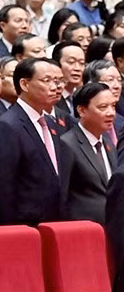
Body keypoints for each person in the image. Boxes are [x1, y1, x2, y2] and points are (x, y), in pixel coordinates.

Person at [0, 57, 67, 225]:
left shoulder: (50, 123)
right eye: (46, 80)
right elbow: (1, 187)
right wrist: (11, 231)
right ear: (25, 84)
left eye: (56, 81)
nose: (54, 87)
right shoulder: (8, 126)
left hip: (56, 222)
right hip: (26, 225)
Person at [58, 80, 116, 224]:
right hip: (83, 227)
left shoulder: (108, 142)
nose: (111, 113)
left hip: (113, 225)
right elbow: (61, 195)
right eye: (103, 107)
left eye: (113, 106)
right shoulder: (67, 144)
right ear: (82, 110)